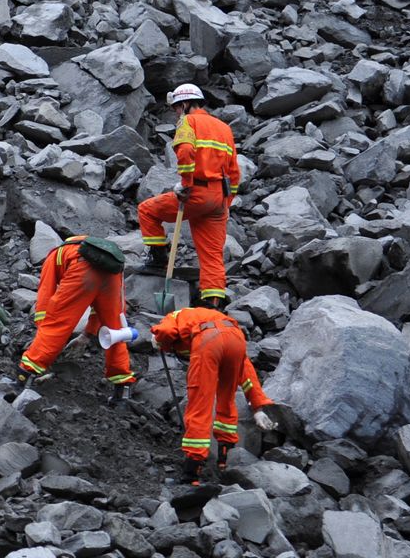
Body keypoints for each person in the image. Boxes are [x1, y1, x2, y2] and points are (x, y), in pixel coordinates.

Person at [138, 84, 241, 309]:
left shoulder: (188, 122)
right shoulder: (224, 128)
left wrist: (186, 184)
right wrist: (226, 202)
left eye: (177, 108)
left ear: (184, 104)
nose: (176, 112)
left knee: (147, 210)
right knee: (212, 254)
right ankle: (212, 303)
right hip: (219, 198)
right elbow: (234, 171)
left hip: (196, 192)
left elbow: (185, 151)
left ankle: (158, 259)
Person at [150, 306, 277, 485]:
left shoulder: (175, 316)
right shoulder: (206, 316)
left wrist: (158, 341)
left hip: (207, 339)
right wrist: (257, 407)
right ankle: (224, 460)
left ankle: (192, 472)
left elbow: (165, 330)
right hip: (236, 337)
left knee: (199, 403)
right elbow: (246, 371)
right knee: (227, 398)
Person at [18, 235, 137, 404]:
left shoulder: (55, 255)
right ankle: (123, 388)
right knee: (116, 331)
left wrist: (41, 329)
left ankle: (25, 374)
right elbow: (99, 308)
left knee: (57, 322)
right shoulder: (102, 255)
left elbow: (46, 294)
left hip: (82, 270)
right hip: (114, 273)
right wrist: (87, 335)